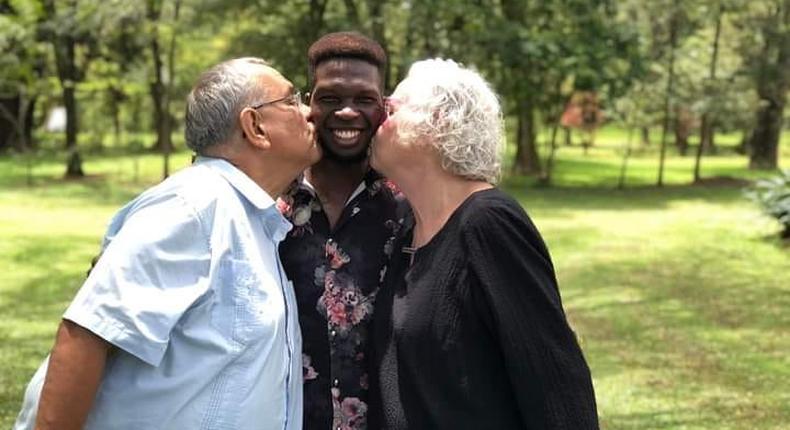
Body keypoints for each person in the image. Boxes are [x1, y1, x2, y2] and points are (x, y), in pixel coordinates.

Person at [14, 57, 320, 430]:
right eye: (291, 100)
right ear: (254, 126)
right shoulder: (194, 206)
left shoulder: (253, 218)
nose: (309, 112)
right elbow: (88, 332)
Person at [368, 59, 599, 429]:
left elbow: (554, 376)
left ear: (439, 120)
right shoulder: (407, 229)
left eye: (391, 108)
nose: (377, 117)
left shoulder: (489, 222)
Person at [277, 32, 408, 430]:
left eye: (364, 99)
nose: (347, 112)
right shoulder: (270, 204)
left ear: (385, 107)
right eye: (331, 98)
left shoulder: (411, 206)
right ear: (308, 105)